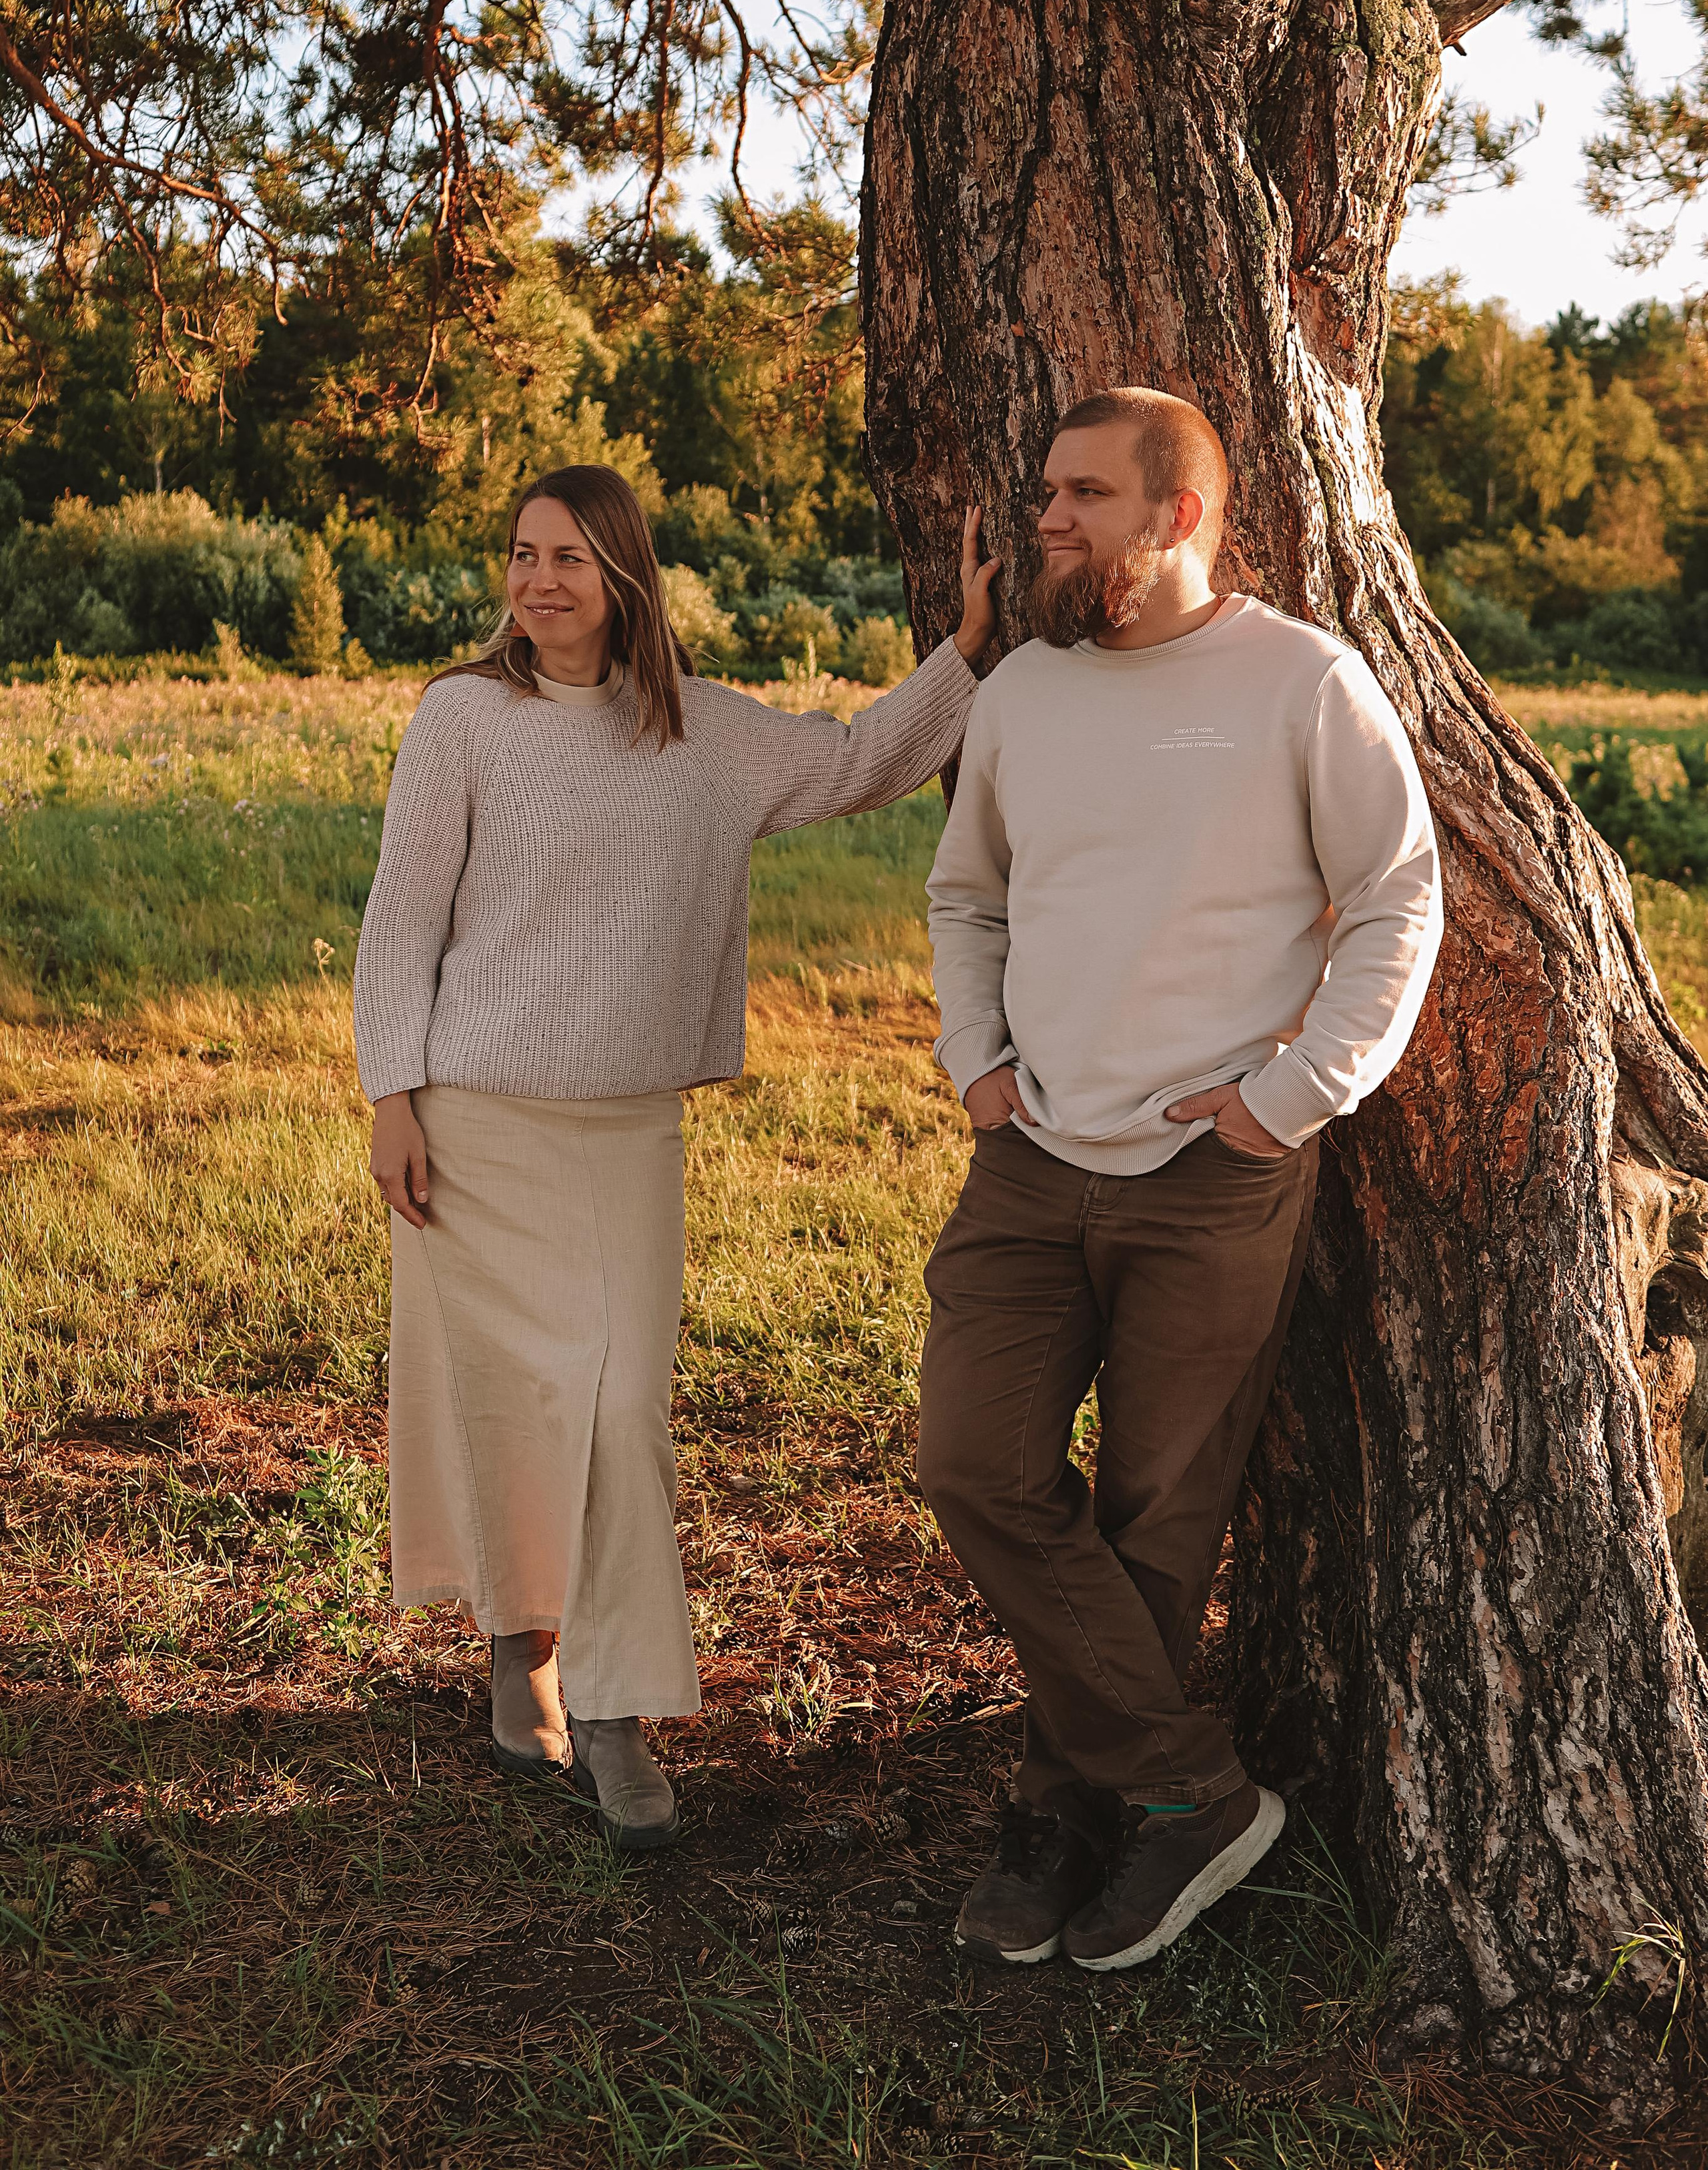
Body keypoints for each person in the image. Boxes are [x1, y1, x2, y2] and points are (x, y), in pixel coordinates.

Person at [353, 463, 996, 1846]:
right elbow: (402, 917)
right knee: (503, 1403)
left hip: (626, 1131)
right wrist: (391, 1095)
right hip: (471, 1126)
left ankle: (616, 1704)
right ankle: (525, 1661)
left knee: (620, 1410)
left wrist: (968, 648)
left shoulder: (704, 732)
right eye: (522, 554)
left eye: (569, 558)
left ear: (623, 575)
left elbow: (859, 760)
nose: (539, 581)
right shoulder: (462, 718)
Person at [915, 388, 1441, 1969]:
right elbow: (967, 896)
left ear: (1179, 514)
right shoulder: (1023, 693)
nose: (1046, 519)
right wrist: (973, 1056)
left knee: (1158, 1519)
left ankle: (1070, 1813)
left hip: (1212, 1171)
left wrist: (1286, 1101)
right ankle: (1190, 1794)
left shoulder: (1299, 683)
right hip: (1028, 1157)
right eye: (1046, 491)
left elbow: (1394, 899)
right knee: (972, 1465)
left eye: (1082, 493)